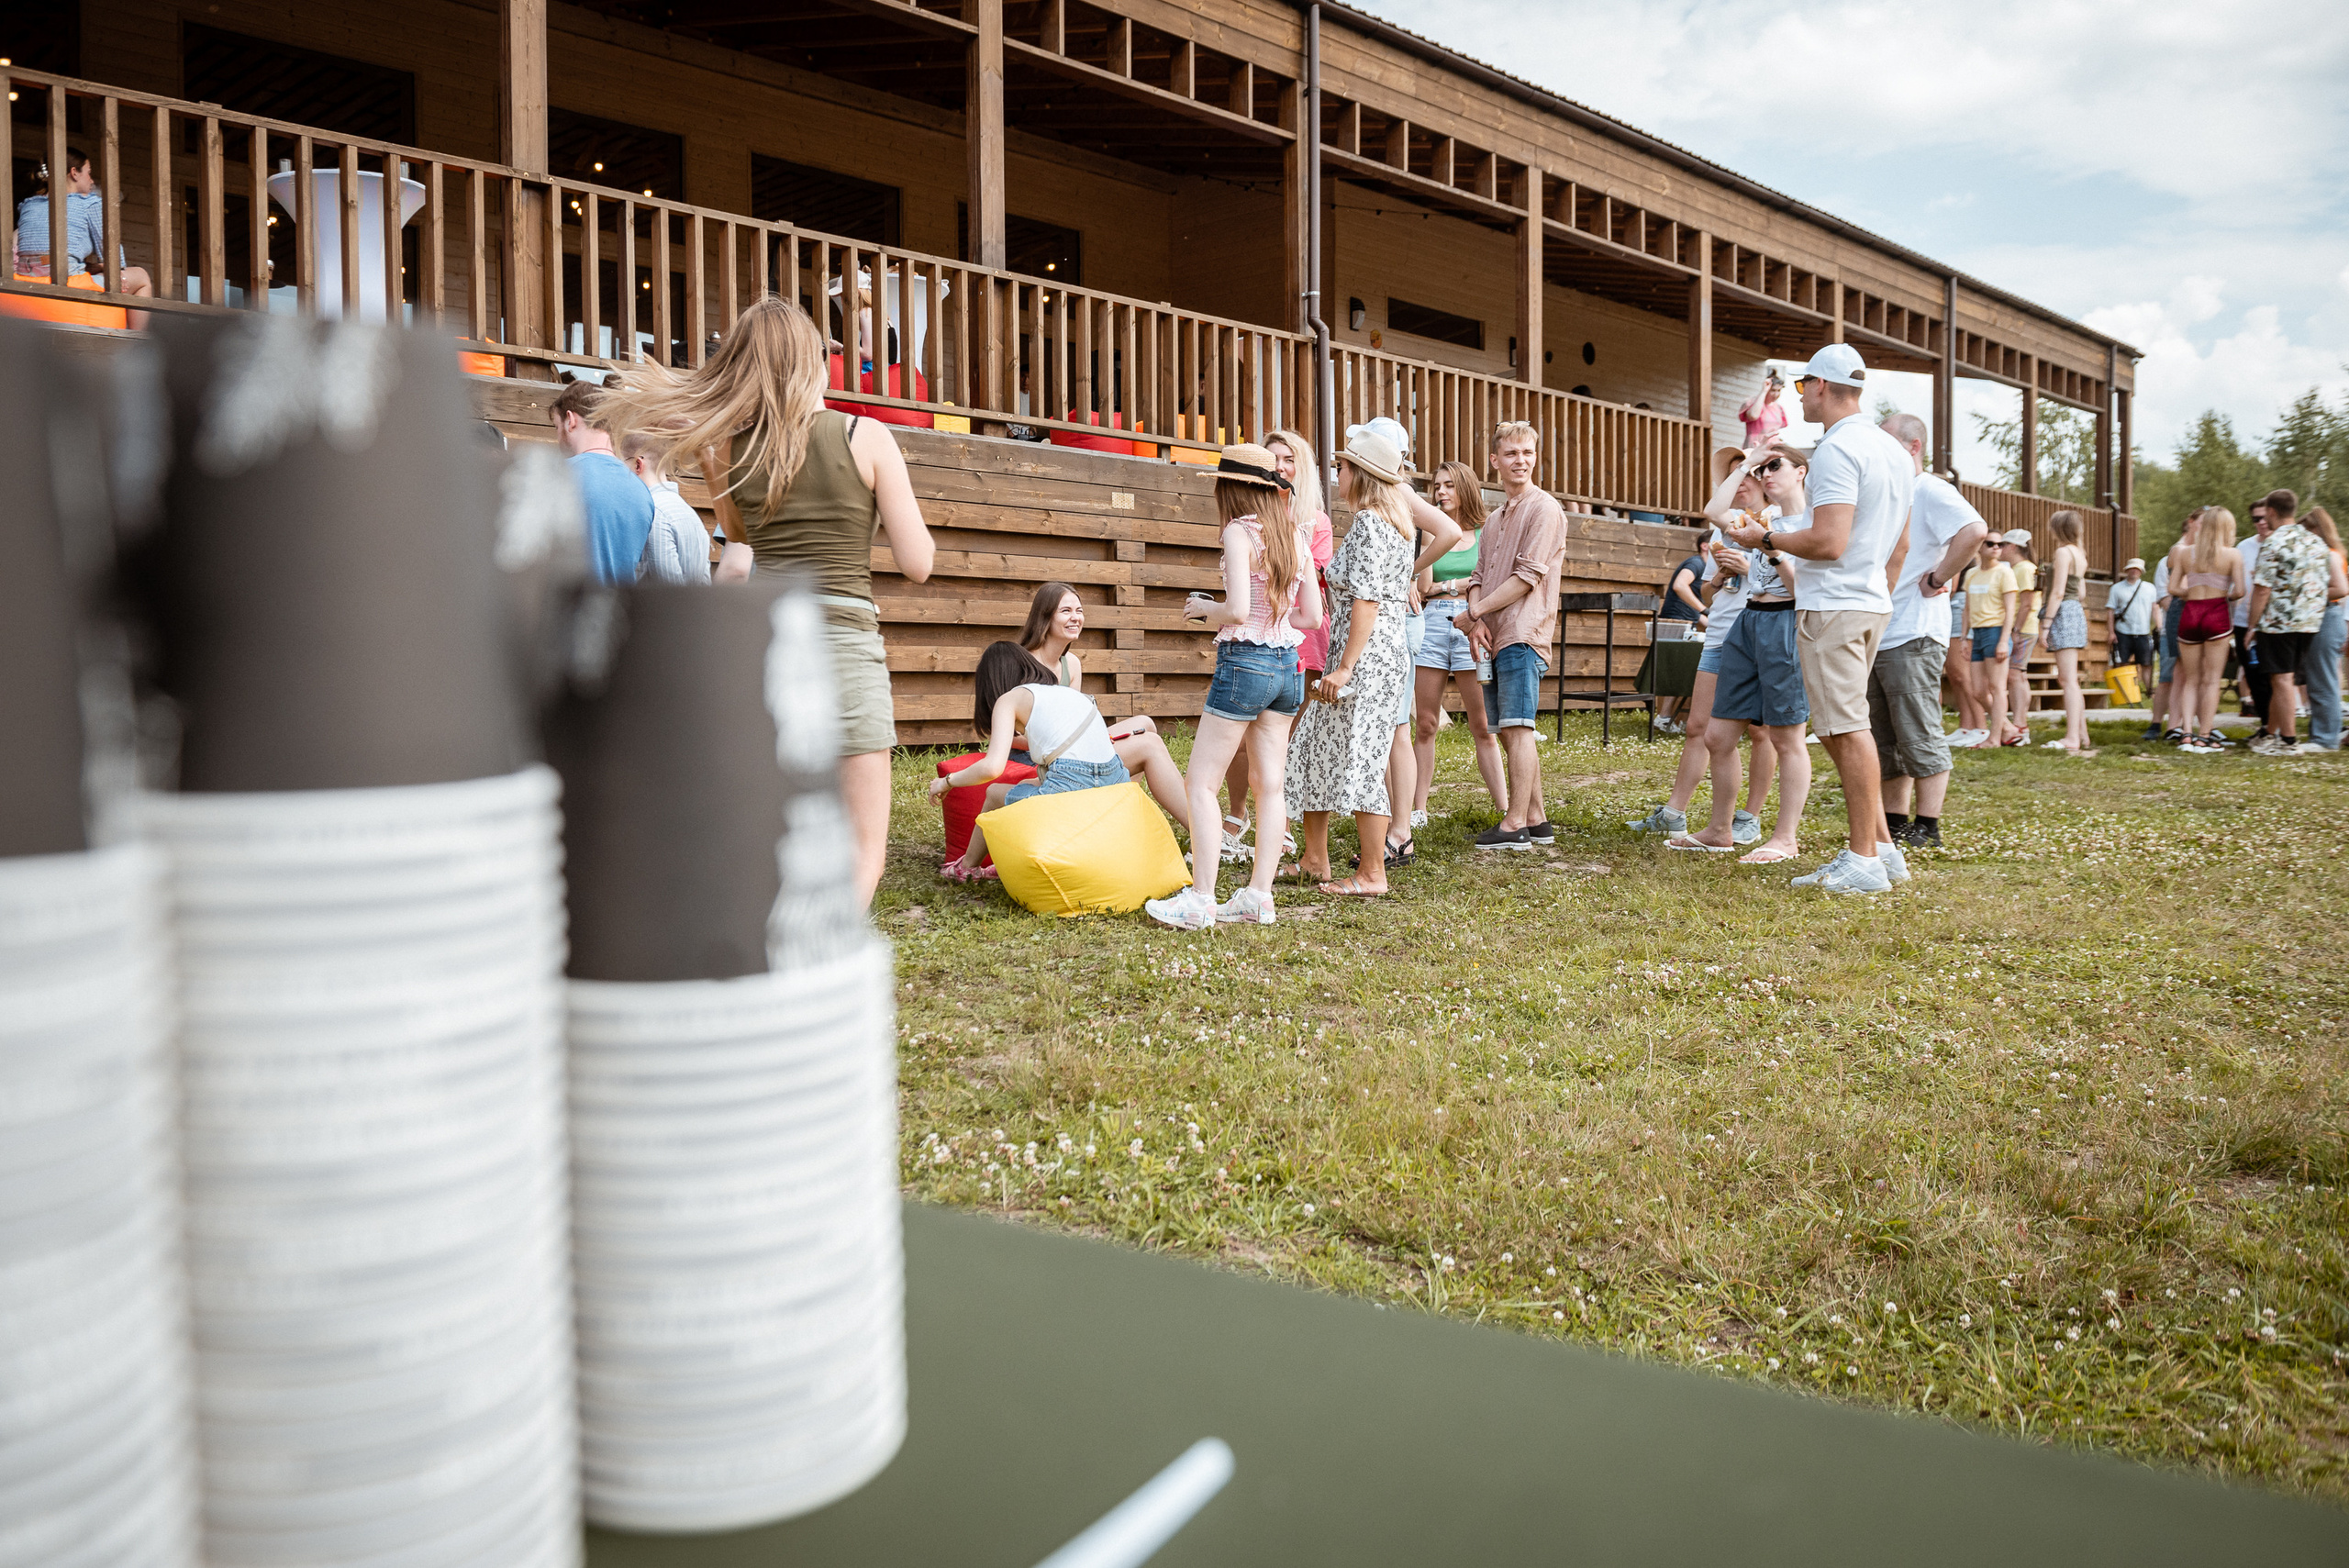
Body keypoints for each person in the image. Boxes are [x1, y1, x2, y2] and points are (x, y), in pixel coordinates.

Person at [599, 295, 938, 909]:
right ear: (814, 360)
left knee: (784, 834)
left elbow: (743, 540)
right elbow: (919, 564)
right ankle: (821, 962)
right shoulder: (867, 436)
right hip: (847, 651)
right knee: (862, 849)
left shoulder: (730, 451)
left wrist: (714, 460)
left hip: (774, 653)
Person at [1722, 343, 1914, 894]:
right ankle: (1880, 850)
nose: (1801, 395)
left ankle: (1863, 861)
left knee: (1845, 730)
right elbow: (1899, 542)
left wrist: (1765, 538)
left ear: (1822, 387)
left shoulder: (1836, 450)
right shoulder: (1893, 450)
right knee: (1840, 728)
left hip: (1835, 603)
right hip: (1869, 600)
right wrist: (1877, 591)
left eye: (1804, 386)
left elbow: (1828, 541)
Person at [1143, 445, 1323, 929]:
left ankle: (1201, 898)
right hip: (1289, 666)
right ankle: (1258, 896)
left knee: (1201, 782)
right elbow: (1311, 617)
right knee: (1271, 786)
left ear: (1234, 487)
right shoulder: (1295, 535)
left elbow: (1240, 611)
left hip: (1247, 661)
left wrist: (1206, 609)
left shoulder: (1239, 532)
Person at [1284, 429, 1417, 895]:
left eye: (1341, 467)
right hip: (1378, 654)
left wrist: (1343, 668)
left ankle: (1372, 873)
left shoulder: (1369, 525)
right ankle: (1315, 858)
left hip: (1365, 658)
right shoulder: (1395, 525)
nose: (1335, 474)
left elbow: (1366, 601)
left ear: (1360, 474)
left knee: (1362, 759)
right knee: (1313, 743)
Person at [934, 642, 1191, 881]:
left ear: (992, 683)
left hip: (1072, 783)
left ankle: (967, 868)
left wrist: (947, 782)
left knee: (994, 793)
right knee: (1032, 781)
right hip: (1114, 777)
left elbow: (992, 767)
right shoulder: (1064, 693)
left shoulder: (1009, 699)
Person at [1675, 445, 1809, 859]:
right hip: (1747, 622)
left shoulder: (1812, 524)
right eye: (1761, 469)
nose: (1765, 474)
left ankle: (1785, 838)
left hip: (1784, 621)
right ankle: (1720, 830)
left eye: (1774, 466)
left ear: (1801, 472)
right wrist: (1748, 462)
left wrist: (1770, 549)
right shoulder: (1756, 519)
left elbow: (1803, 590)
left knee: (1785, 737)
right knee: (1717, 735)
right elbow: (1714, 509)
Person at [1872, 412, 1988, 846]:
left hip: (1915, 632)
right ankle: (1896, 821)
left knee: (1918, 731)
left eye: (1889, 443)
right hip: (1881, 629)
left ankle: (1929, 826)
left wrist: (1939, 577)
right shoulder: (1890, 494)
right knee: (1886, 738)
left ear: (1914, 446)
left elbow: (1974, 530)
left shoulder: (1931, 489)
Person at [1218, 427, 1331, 864]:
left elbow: (1305, 588)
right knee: (1244, 738)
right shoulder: (1256, 526)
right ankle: (1240, 815)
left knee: (1276, 741)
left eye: (1288, 459)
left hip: (1293, 640)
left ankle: (1277, 826)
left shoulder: (1311, 524)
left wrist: (1214, 610)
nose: (1280, 467)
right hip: (1265, 632)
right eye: (1273, 460)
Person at [1459, 421, 1568, 851]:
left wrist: (1474, 612)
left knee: (1519, 728)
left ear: (1535, 457)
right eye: (1511, 454)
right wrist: (1480, 616)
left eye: (1527, 453)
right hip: (1497, 634)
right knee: (1506, 728)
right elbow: (1479, 575)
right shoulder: (1494, 520)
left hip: (1525, 632)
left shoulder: (1545, 509)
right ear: (1495, 461)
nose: (1520, 461)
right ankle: (1537, 820)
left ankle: (1515, 824)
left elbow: (1527, 578)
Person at [1413, 461, 1508, 824]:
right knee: (1425, 723)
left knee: (1482, 724)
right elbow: (1423, 588)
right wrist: (1457, 584)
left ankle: (1503, 808)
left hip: (1474, 623)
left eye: (1449, 485)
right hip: (1433, 624)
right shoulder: (1430, 532)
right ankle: (1418, 808)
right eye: (1437, 486)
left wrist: (1447, 587)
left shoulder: (1487, 532)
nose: (1441, 493)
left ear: (1465, 488)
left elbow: (1490, 581)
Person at [8, 147, 155, 328]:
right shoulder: (90, 203)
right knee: (141, 277)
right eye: (89, 173)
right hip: (65, 282)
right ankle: (138, 341)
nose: (92, 181)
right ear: (74, 173)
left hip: (24, 281)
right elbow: (115, 262)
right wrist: (100, 267)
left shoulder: (28, 205)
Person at [2245, 489, 2341, 756]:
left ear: (2272, 512)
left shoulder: (2273, 543)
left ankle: (2288, 741)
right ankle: (2269, 734)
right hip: (2310, 621)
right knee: (2284, 680)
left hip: (2279, 622)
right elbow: (2323, 584)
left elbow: (2262, 589)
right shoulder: (2316, 543)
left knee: (2282, 680)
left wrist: (2252, 626)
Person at [1016, 581, 1159, 751]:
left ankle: (1118, 778)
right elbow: (1005, 734)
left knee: (1145, 724)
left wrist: (1091, 736)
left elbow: (1074, 720)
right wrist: (1063, 743)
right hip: (1038, 754)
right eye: (1066, 611)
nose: (1076, 618)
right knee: (1145, 746)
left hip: (1070, 745)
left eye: (1079, 611)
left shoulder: (1072, 664)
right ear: (1045, 616)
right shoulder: (1020, 663)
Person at [551, 382, 655, 587]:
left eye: (557, 426)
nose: (557, 437)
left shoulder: (560, 476)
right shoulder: (642, 491)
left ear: (570, 420)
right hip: (619, 613)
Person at [2168, 506, 2245, 755]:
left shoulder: (2184, 553)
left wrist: (2194, 591)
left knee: (2191, 679)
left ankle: (2186, 733)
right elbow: (2241, 591)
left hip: (2190, 613)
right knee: (2212, 680)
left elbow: (2173, 588)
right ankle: (2205, 736)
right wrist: (2224, 594)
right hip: (2217, 613)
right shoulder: (2233, 555)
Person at [620, 430, 717, 585]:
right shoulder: (690, 513)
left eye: (622, 468)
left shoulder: (654, 514)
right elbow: (704, 582)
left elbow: (667, 589)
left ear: (638, 465)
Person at [2034, 512, 2094, 757]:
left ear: (2056, 528)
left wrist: (2046, 623)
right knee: (2070, 679)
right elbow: (2080, 593)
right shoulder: (2080, 554)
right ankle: (2081, 733)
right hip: (2075, 611)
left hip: (2062, 612)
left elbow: (2057, 591)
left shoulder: (2062, 552)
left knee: (2068, 679)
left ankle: (2072, 738)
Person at [1961, 539, 2020, 751]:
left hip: (1996, 631)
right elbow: (1967, 608)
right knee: (1977, 690)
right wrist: (1963, 637)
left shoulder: (2005, 573)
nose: (1996, 547)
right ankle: (2007, 728)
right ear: (1980, 547)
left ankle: (1994, 738)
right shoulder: (1971, 574)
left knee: (1997, 688)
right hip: (1977, 634)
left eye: (2000, 544)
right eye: (1990, 543)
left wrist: (2004, 640)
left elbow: (2010, 609)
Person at [2301, 506, 2348, 752]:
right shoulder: (2330, 553)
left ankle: (2325, 739)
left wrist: (2304, 594)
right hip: (2322, 617)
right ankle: (2321, 734)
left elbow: (2340, 590)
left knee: (2324, 681)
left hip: (2327, 617)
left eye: (2305, 530)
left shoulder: (2329, 554)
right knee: (2318, 680)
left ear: (2316, 529)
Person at [2148, 518, 2194, 742]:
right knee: (2167, 678)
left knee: (2188, 679)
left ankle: (2180, 726)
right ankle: (2156, 723)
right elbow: (2165, 599)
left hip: (2193, 628)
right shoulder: (2166, 562)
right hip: (2171, 630)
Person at [1653, 548, 1707, 733]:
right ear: (1706, 546)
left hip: (1688, 622)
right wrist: (1705, 610)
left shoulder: (1706, 569)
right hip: (1676, 625)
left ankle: (1680, 719)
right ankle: (1664, 717)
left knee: (1690, 670)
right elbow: (1679, 585)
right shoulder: (1697, 563)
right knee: (1680, 671)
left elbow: (1691, 607)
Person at [2234, 502, 2274, 738]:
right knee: (2252, 674)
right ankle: (2266, 725)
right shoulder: (2244, 547)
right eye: (2255, 519)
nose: (2260, 523)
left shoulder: (2282, 544)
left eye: (2263, 518)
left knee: (2276, 676)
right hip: (2244, 619)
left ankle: (2278, 728)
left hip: (2273, 621)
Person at [1997, 530, 2040, 747]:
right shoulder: (2021, 568)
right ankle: (2021, 723)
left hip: (2023, 629)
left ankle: (2020, 725)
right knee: (2019, 676)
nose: (1999, 548)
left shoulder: (2023, 569)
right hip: (2023, 628)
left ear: (2013, 547)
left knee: (2015, 675)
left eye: (2003, 544)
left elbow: (2027, 603)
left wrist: (2016, 628)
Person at [2109, 557, 2157, 690]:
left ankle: (2149, 691)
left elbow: (2155, 608)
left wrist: (2159, 626)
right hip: (2123, 631)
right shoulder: (2116, 588)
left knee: (2147, 663)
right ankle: (2125, 691)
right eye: (2132, 569)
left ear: (2141, 571)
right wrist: (2111, 632)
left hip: (2143, 632)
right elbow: (2110, 611)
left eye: (2137, 569)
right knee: (2122, 662)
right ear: (2127, 570)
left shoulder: (2150, 588)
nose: (2134, 571)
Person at [1738, 369, 1789, 449]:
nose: (1776, 394)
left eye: (1779, 390)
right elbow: (1753, 416)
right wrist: (1764, 391)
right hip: (1755, 445)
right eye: (1773, 390)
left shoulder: (1779, 408)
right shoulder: (1752, 402)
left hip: (1772, 446)